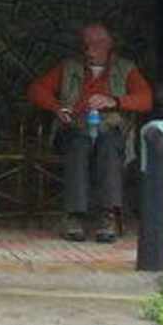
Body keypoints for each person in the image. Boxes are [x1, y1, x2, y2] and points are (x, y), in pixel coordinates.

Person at [27, 23, 153, 243]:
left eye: (95, 45)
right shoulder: (68, 66)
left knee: (109, 146)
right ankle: (74, 216)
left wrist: (115, 101)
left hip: (110, 131)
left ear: (109, 44)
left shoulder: (125, 68)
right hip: (73, 129)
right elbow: (37, 90)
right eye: (86, 45)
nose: (89, 51)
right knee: (78, 145)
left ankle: (108, 216)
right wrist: (57, 108)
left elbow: (146, 99)